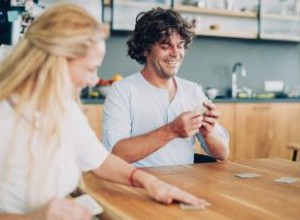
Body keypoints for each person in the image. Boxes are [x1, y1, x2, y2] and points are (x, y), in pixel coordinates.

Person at [0, 4, 210, 220]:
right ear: (55, 61)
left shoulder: (64, 109)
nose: (94, 80)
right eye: (91, 69)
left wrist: (153, 184)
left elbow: (101, 162)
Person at [103, 7, 229, 167]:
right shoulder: (122, 92)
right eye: (165, 46)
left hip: (184, 184)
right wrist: (171, 130)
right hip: (138, 185)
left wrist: (208, 133)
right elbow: (115, 154)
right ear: (144, 50)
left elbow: (223, 153)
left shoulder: (193, 91)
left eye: (180, 45)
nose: (176, 53)